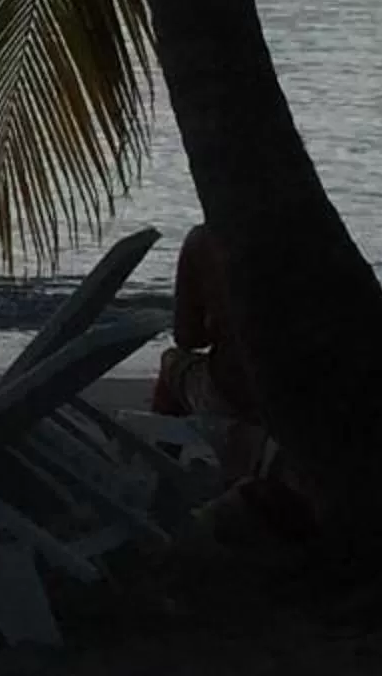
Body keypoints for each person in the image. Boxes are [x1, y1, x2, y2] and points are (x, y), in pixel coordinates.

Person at [150, 223, 311, 540]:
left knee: (172, 363)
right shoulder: (307, 236)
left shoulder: (204, 241)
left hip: (236, 393)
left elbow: (188, 337)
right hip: (301, 393)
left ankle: (162, 483)